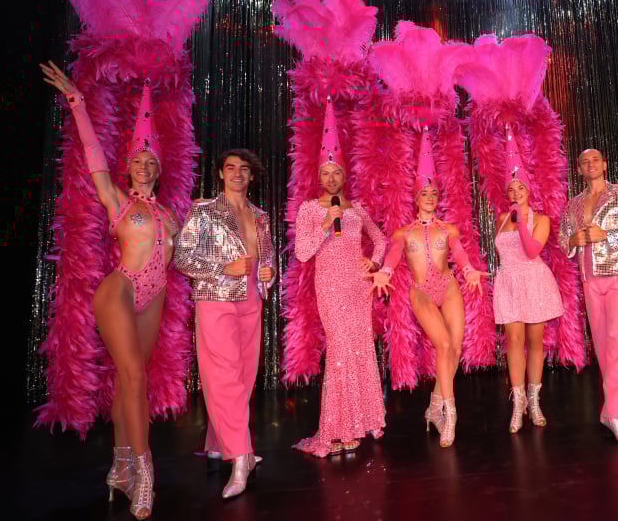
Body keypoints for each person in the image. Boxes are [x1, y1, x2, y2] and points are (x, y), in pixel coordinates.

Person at [41, 62, 179, 518]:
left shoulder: (171, 217)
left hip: (154, 295)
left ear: (158, 169)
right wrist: (78, 105)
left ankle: (118, 468)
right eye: (137, 160)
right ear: (129, 167)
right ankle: (144, 472)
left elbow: (187, 259)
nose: (143, 165)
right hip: (118, 290)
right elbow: (92, 155)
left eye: (150, 161)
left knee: (127, 383)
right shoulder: (117, 199)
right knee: (136, 378)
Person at [368, 128, 486, 447]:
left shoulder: (448, 229)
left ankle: (433, 406)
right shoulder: (403, 233)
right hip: (421, 291)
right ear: (416, 198)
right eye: (425, 195)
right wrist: (385, 272)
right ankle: (450, 415)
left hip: (447, 286)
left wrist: (471, 270)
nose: (430, 199)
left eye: (434, 195)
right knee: (444, 346)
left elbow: (460, 255)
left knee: (456, 349)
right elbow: (392, 257)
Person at [174, 149, 276, 497]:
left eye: (244, 170)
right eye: (230, 168)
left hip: (251, 299)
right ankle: (240, 457)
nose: (237, 174)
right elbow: (183, 257)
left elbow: (268, 258)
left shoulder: (260, 216)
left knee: (244, 377)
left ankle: (217, 444)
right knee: (224, 375)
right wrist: (222, 269)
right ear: (220, 174)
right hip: (215, 298)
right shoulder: (204, 211)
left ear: (250, 176)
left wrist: (268, 273)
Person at [293, 98, 387, 457]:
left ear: (345, 176)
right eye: (326, 174)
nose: (332, 179)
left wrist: (373, 262)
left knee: (360, 349)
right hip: (329, 287)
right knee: (339, 351)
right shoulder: (310, 209)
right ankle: (338, 426)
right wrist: (323, 224)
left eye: (337, 173)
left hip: (357, 287)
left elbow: (380, 240)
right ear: (319, 178)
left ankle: (363, 419)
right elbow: (303, 252)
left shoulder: (357, 209)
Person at [559, 148, 618, 444]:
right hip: (590, 278)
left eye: (595, 159)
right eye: (584, 161)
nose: (590, 164)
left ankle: (613, 414)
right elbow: (563, 240)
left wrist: (606, 237)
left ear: (605, 164)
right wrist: (574, 240)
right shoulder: (573, 204)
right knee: (603, 346)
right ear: (580, 169)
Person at [492, 125, 563, 433]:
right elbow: (502, 251)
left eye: (520, 189)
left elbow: (533, 250)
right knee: (513, 340)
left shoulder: (542, 219)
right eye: (511, 190)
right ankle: (517, 404)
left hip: (535, 282)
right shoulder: (499, 219)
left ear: (529, 190)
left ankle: (534, 402)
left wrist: (521, 222)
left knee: (535, 342)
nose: (516, 194)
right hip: (509, 281)